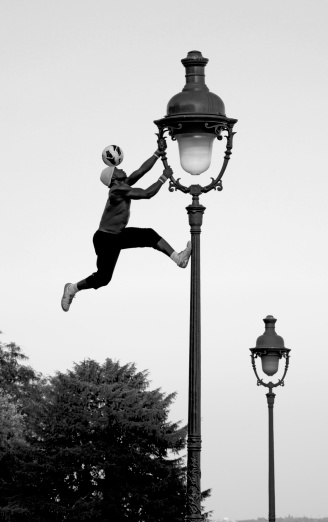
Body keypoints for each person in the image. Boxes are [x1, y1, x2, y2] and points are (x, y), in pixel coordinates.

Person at [61, 147, 192, 312]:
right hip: (105, 239)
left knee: (149, 235)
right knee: (103, 278)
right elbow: (146, 194)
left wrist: (157, 154)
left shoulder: (122, 184)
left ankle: (179, 260)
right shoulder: (117, 190)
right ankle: (72, 288)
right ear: (114, 177)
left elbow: (141, 170)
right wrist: (163, 177)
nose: (122, 168)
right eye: (118, 169)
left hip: (117, 235)